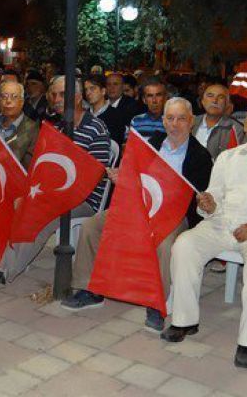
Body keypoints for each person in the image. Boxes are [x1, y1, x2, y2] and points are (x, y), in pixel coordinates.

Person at [161, 104, 247, 371]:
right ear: (245, 124)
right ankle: (184, 319)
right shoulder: (227, 157)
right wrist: (208, 204)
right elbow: (213, 197)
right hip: (222, 223)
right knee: (185, 245)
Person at [61, 97, 213, 331]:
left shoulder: (200, 157)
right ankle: (90, 289)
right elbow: (135, 176)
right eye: (170, 118)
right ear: (163, 121)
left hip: (173, 215)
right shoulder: (151, 143)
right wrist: (122, 177)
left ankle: (156, 303)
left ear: (191, 121)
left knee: (166, 245)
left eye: (181, 118)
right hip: (138, 206)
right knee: (92, 226)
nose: (175, 124)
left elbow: (196, 201)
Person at [0, 75, 111, 290]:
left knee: (40, 215)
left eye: (62, 94)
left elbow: (97, 174)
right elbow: (43, 169)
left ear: (77, 98)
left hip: (84, 198)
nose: (56, 99)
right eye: (54, 94)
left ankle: (2, 273)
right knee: (17, 201)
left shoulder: (96, 128)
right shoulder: (57, 128)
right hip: (53, 194)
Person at [191, 83, 244, 160]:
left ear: (227, 104)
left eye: (221, 97)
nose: (214, 100)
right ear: (202, 101)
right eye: (210, 96)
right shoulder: (191, 123)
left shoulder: (237, 129)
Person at [83, 74, 127, 146]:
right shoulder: (84, 114)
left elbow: (115, 145)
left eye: (92, 88)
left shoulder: (116, 115)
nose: (88, 93)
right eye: (86, 89)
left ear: (103, 91)